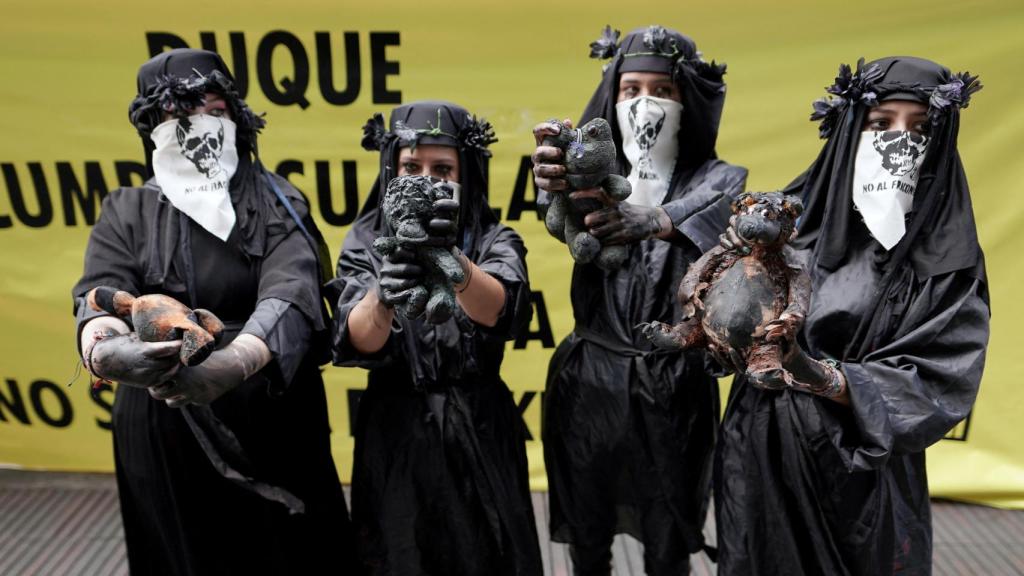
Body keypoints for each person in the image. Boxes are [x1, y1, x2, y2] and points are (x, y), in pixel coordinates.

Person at [72, 48, 356, 575]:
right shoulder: (125, 211)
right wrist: (106, 349)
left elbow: (292, 289)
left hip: (271, 416)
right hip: (163, 421)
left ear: (237, 117)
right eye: (178, 115)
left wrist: (236, 361)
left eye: (214, 110)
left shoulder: (279, 203)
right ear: (152, 128)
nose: (197, 126)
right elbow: (98, 292)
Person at [714, 56, 989, 574]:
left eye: (921, 127)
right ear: (849, 129)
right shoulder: (784, 222)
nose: (900, 141)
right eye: (881, 124)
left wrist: (822, 375)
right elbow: (725, 329)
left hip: (866, 468)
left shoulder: (948, 258)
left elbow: (941, 376)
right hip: (764, 446)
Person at [532, 25, 748, 575]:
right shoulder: (594, 175)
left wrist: (658, 218)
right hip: (590, 379)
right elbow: (562, 214)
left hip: (673, 384)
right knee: (588, 526)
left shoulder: (718, 178)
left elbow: (723, 200)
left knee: (669, 531)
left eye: (662, 89)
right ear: (611, 96)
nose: (644, 102)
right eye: (630, 89)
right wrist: (557, 186)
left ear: (686, 99)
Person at [331, 100, 543, 575]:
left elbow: (503, 311)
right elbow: (354, 339)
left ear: (465, 173)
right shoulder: (366, 240)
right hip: (395, 430)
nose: (426, 178)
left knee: (491, 554)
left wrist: (454, 263)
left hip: (479, 425)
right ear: (391, 170)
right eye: (411, 166)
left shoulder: (493, 238)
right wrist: (380, 298)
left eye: (442, 168)